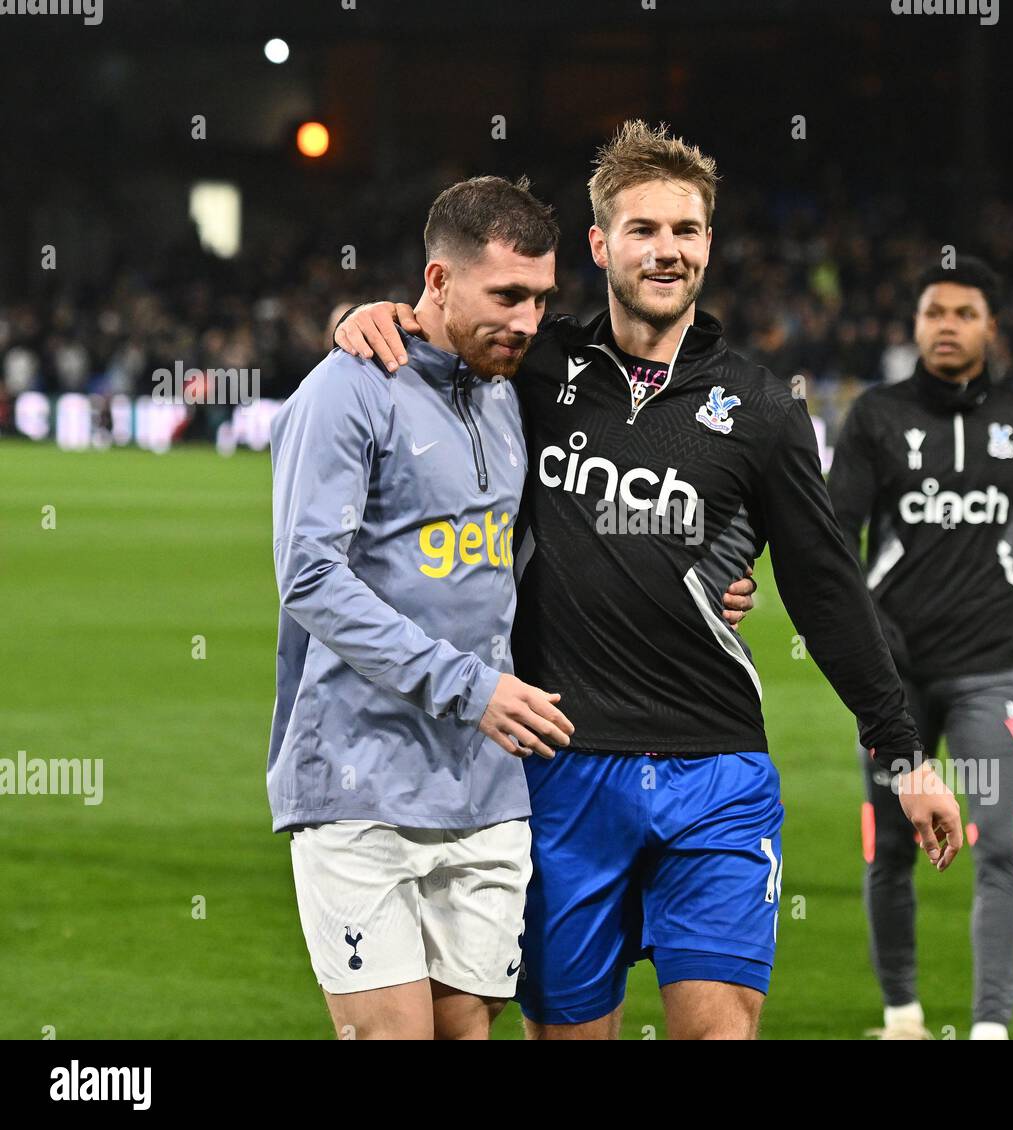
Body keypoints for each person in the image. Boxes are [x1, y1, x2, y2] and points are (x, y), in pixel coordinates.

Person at [333, 120, 963, 1040]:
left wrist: (901, 751)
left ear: (709, 242)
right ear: (600, 245)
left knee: (719, 1031)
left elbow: (827, 587)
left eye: (687, 231)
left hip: (717, 765)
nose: (667, 251)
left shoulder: (762, 408)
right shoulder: (534, 371)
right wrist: (361, 316)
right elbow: (436, 336)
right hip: (563, 768)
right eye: (643, 230)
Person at [268, 176, 579, 1040]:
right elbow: (309, 576)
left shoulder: (506, 392)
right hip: (359, 781)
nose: (526, 320)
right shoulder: (351, 388)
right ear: (437, 283)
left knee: (467, 1035)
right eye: (507, 294)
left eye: (542, 298)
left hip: (483, 790)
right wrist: (470, 689)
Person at [827, 256, 1013, 1040]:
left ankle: (991, 1028)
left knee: (1000, 847)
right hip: (894, 678)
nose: (946, 325)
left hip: (994, 665)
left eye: (964, 313)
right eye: (934, 311)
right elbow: (838, 539)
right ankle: (903, 1017)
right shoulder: (874, 415)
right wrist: (871, 640)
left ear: (990, 327)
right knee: (890, 845)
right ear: (915, 325)